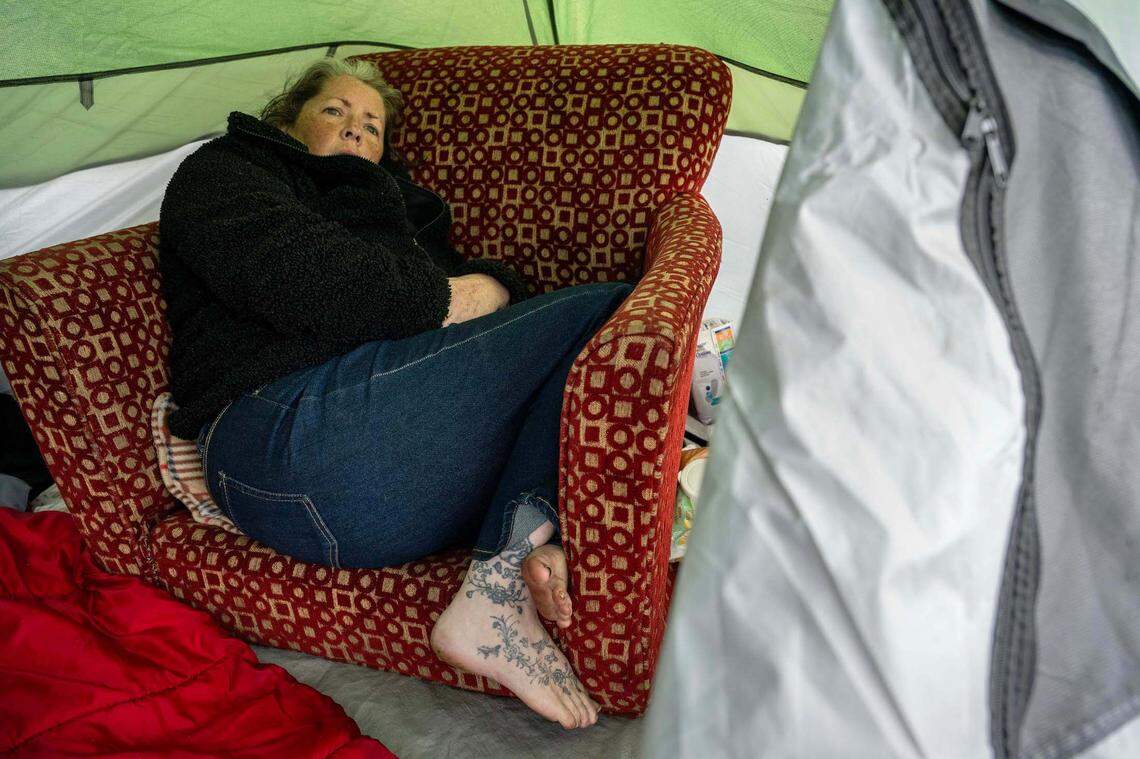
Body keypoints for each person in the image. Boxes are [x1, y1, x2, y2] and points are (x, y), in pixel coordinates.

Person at [158, 58, 635, 729]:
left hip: (384, 494)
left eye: (373, 125)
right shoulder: (230, 169)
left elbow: (471, 327)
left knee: (596, 346)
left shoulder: (399, 217)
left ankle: (515, 555)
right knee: (607, 309)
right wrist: (469, 293)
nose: (356, 130)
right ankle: (502, 585)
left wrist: (483, 287)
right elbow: (317, 281)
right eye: (335, 112)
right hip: (282, 438)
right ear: (286, 119)